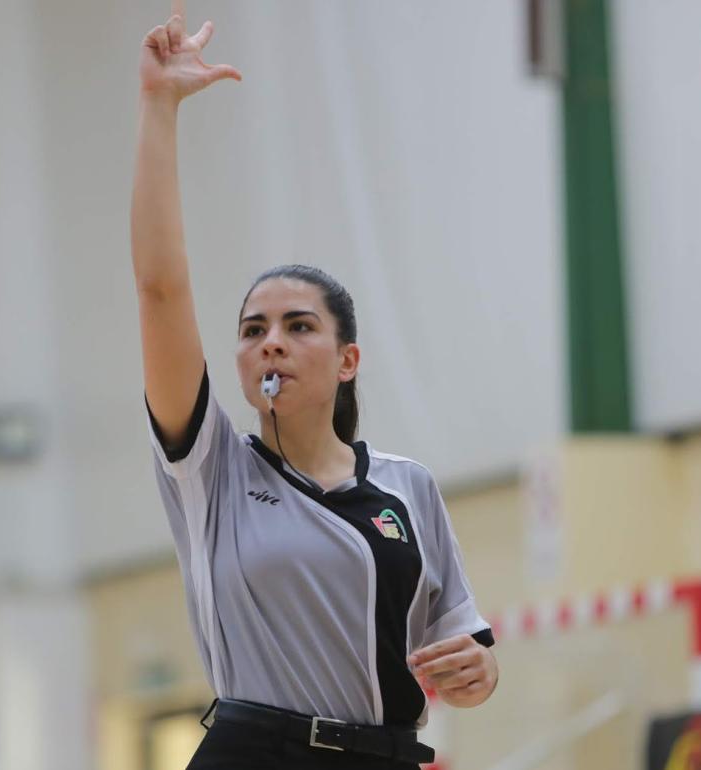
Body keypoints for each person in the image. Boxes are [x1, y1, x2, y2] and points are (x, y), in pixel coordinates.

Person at [132, 5, 499, 768]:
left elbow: (461, 649)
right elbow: (161, 289)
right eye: (253, 329)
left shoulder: (408, 488)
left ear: (347, 360)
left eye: (299, 326)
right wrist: (159, 107)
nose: (271, 340)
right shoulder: (209, 470)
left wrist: (480, 671)